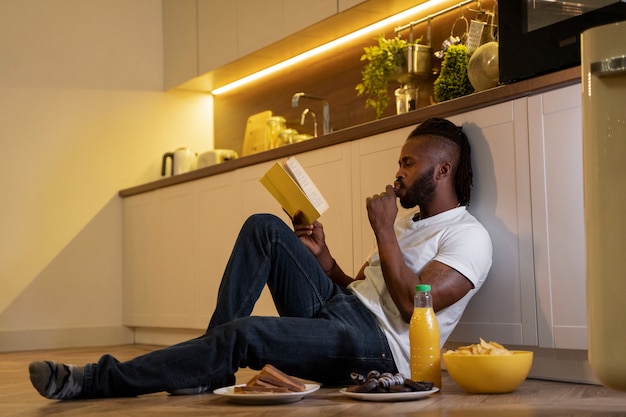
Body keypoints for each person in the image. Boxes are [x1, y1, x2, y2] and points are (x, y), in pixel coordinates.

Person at [29, 117, 492, 400]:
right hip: (344, 311)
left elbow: (413, 308)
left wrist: (383, 230)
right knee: (264, 228)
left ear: (443, 170)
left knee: (244, 334)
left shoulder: (469, 238)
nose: (398, 174)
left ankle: (94, 381)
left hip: (379, 351)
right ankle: (211, 367)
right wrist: (325, 260)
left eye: (408, 164)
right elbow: (368, 289)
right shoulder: (412, 227)